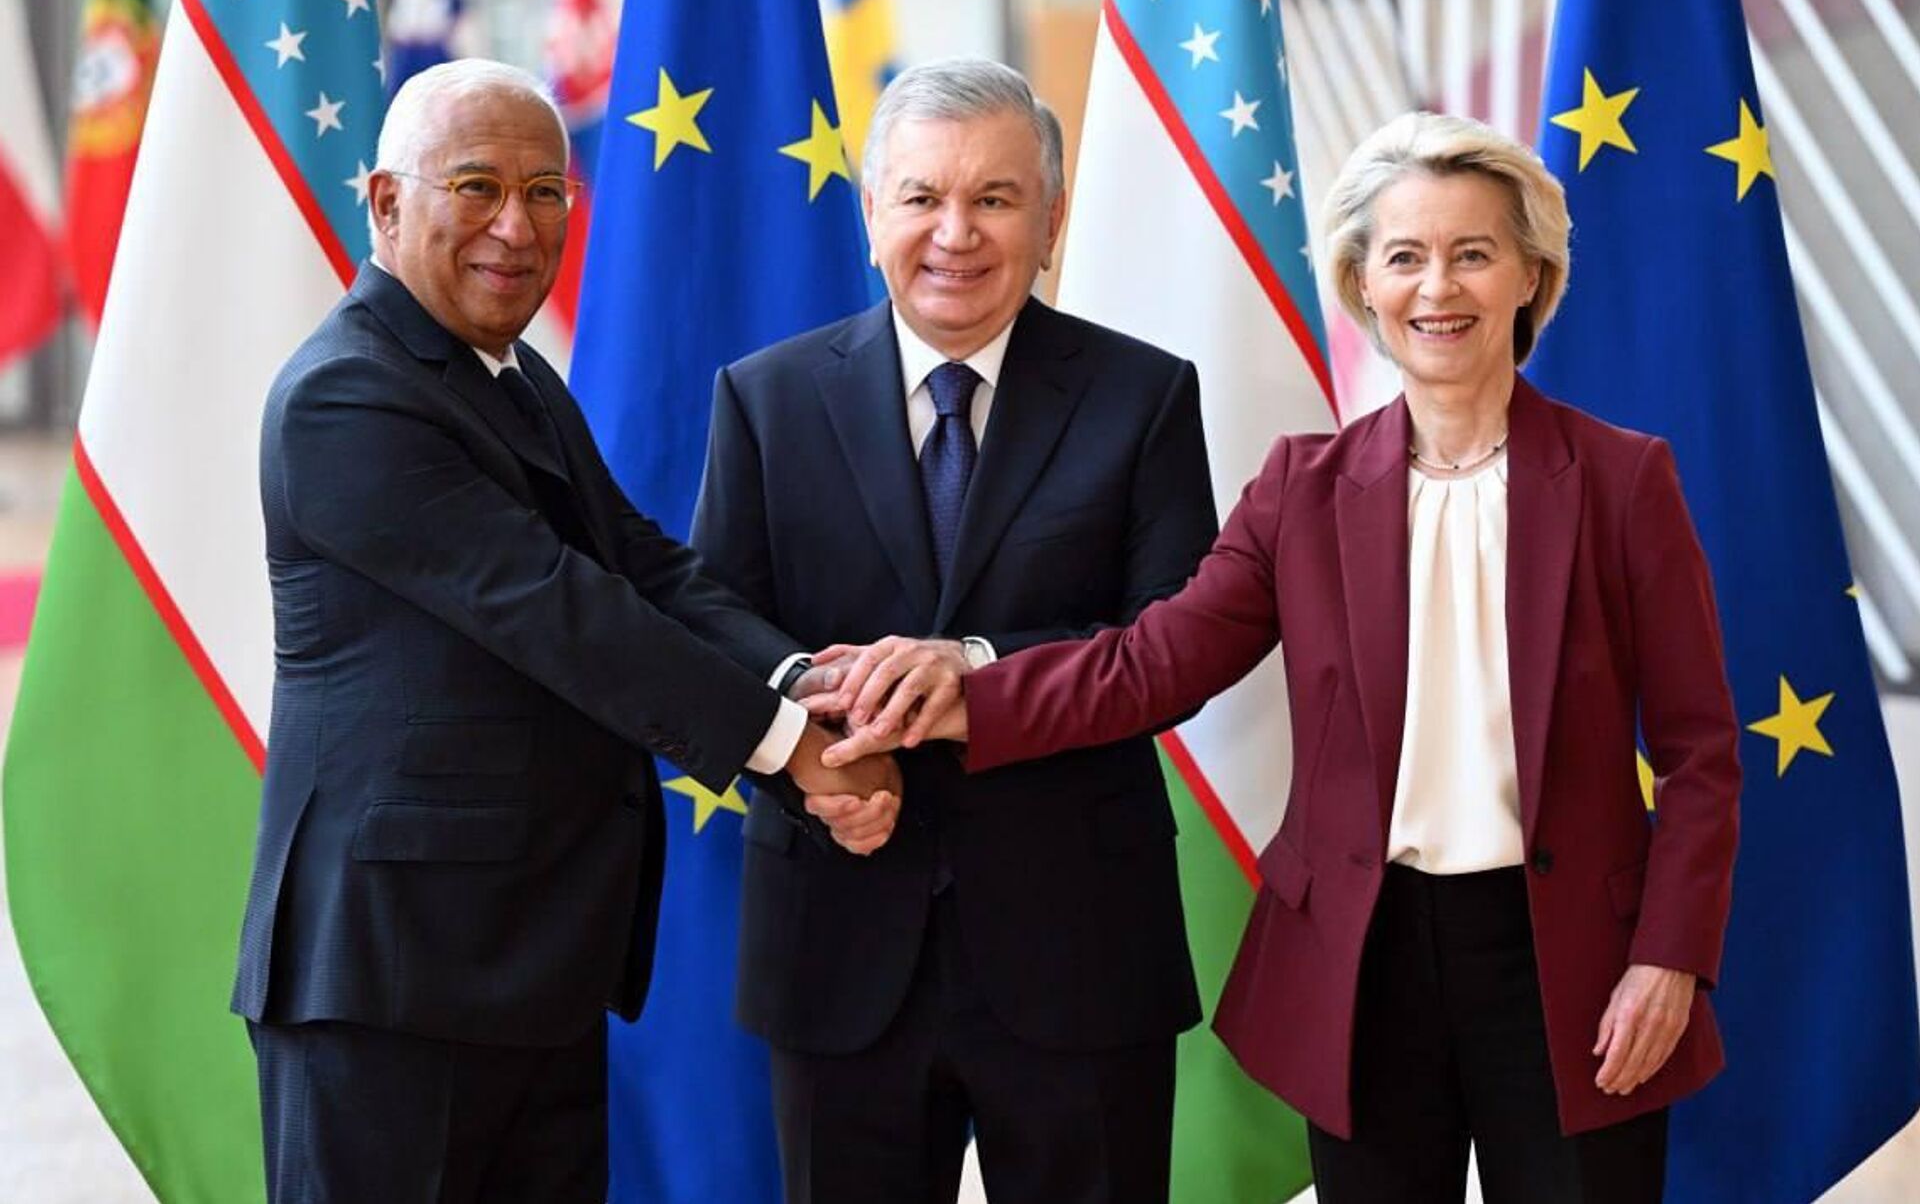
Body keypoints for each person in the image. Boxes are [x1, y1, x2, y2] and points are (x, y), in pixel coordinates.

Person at [823, 111, 1743, 1204]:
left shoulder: (1624, 481)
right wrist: (961, 693)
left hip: (1572, 964)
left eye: (1472, 254)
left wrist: (1669, 956)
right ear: (1362, 285)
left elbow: (1701, 754)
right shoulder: (1302, 489)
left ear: (1530, 278)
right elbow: (1152, 663)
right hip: (1362, 966)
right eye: (1403, 257)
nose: (1437, 287)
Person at [230, 59, 897, 1204]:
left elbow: (643, 565)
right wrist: (794, 750)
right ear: (386, 203)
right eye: (477, 186)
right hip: (389, 984)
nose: (517, 224)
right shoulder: (347, 394)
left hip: (527, 965)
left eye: (546, 192)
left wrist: (805, 679)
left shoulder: (514, 377)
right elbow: (558, 610)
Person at [688, 58, 1219, 1204]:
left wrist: (975, 672)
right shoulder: (765, 398)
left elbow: (1173, 645)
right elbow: (714, 622)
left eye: (995, 198)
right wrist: (813, 722)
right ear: (871, 211)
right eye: (922, 196)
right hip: (836, 936)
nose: (955, 232)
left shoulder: (1144, 396)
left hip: (1081, 946)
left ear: (1052, 220)